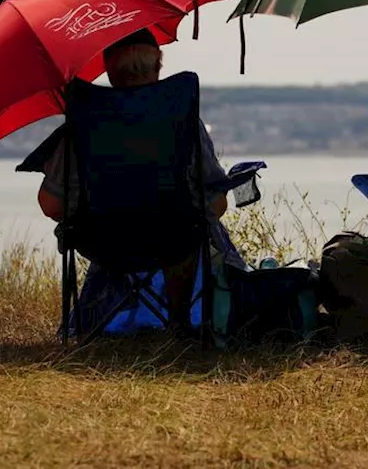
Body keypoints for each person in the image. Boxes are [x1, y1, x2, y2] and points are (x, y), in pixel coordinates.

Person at [36, 28, 246, 330]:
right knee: (188, 226)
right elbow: (216, 200)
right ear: (158, 63)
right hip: (174, 239)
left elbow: (51, 203)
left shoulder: (84, 125)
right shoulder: (183, 123)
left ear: (109, 70)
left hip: (101, 241)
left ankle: (102, 316)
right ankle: (179, 322)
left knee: (159, 228)